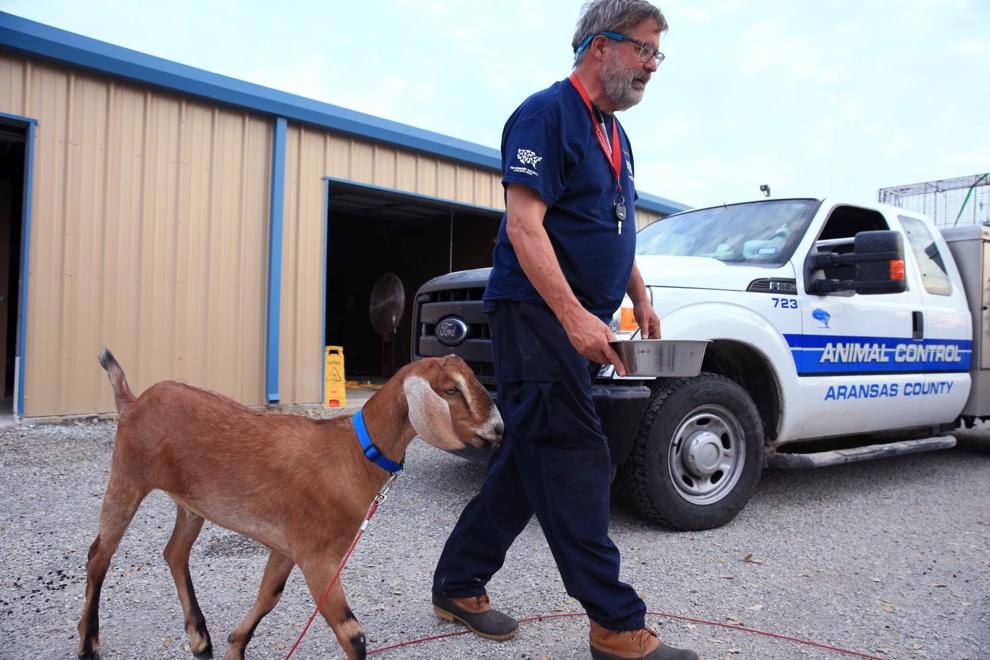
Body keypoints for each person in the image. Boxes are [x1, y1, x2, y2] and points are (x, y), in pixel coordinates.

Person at [431, 2, 698, 659]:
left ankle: (459, 583)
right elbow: (524, 225)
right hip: (535, 316)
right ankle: (614, 622)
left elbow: (612, 224)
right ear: (599, 46)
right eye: (644, 50)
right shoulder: (545, 115)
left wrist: (640, 294)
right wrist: (574, 315)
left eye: (657, 55)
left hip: (579, 322)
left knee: (526, 462)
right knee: (577, 456)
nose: (651, 67)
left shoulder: (614, 135)